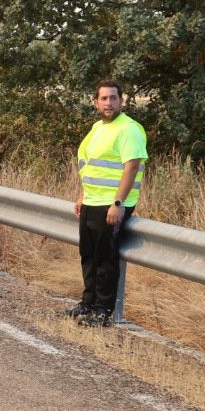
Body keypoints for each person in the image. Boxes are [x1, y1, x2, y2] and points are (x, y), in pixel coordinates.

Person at [70, 79, 147, 327]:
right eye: (103, 98)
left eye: (113, 98)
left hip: (112, 204)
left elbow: (131, 167)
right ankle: (88, 303)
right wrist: (83, 194)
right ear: (96, 102)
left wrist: (118, 202)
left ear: (121, 101)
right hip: (92, 201)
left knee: (105, 259)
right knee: (88, 255)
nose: (108, 103)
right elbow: (91, 165)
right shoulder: (97, 128)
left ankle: (103, 311)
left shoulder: (128, 129)